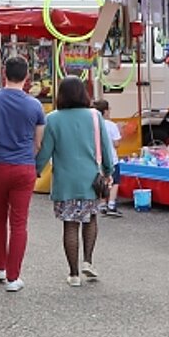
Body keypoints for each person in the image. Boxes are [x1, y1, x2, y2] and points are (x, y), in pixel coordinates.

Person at [0, 55, 47, 292]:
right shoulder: (35, 105)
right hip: (24, 166)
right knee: (19, 223)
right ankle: (14, 278)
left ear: (4, 73)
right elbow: (38, 143)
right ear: (27, 76)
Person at [37, 76, 114, 287]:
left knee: (70, 226)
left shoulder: (52, 118)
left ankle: (73, 274)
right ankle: (88, 260)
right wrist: (108, 171)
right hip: (91, 179)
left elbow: (45, 151)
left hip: (65, 181)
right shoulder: (95, 116)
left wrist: (34, 171)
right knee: (90, 220)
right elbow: (106, 148)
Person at [92, 98, 124, 217]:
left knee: (101, 181)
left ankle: (102, 203)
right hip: (112, 158)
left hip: (97, 158)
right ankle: (111, 204)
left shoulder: (93, 124)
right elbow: (116, 144)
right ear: (105, 111)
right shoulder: (111, 125)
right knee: (115, 182)